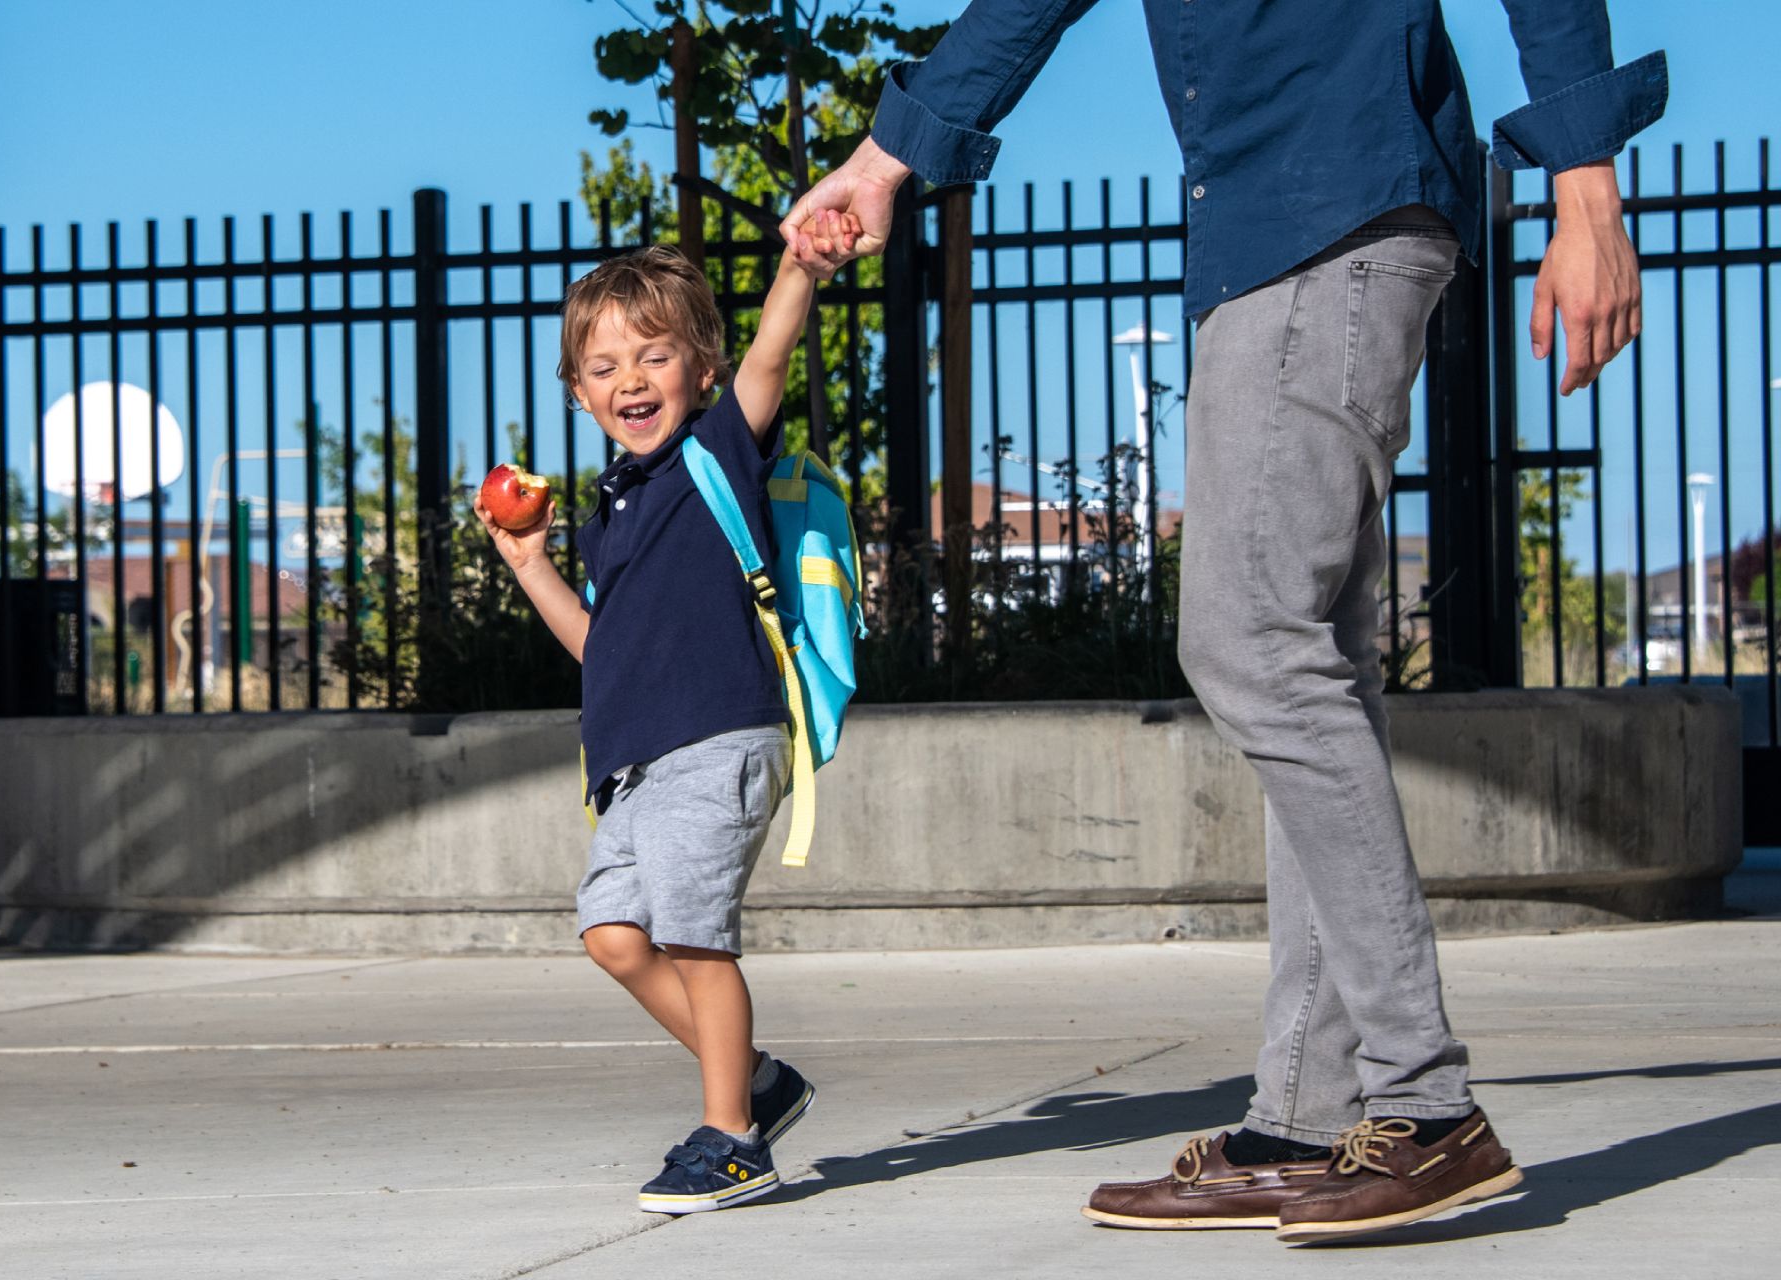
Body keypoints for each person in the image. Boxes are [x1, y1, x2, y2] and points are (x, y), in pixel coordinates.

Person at [780, 0, 1666, 1245]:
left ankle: (1425, 1102)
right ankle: (1306, 1116)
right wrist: (885, 160)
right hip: (1272, 232)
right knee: (1309, 665)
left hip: (1332, 216)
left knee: (1250, 644)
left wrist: (1587, 190)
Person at [478, 223, 860, 1214]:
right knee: (612, 933)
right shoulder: (612, 509)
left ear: (702, 369)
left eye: (654, 355)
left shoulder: (717, 452)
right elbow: (599, 646)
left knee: (696, 938)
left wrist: (798, 267)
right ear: (579, 392)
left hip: (720, 735)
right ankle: (758, 1083)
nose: (631, 378)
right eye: (606, 365)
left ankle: (733, 1135)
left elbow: (774, 351)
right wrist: (531, 564)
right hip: (638, 762)